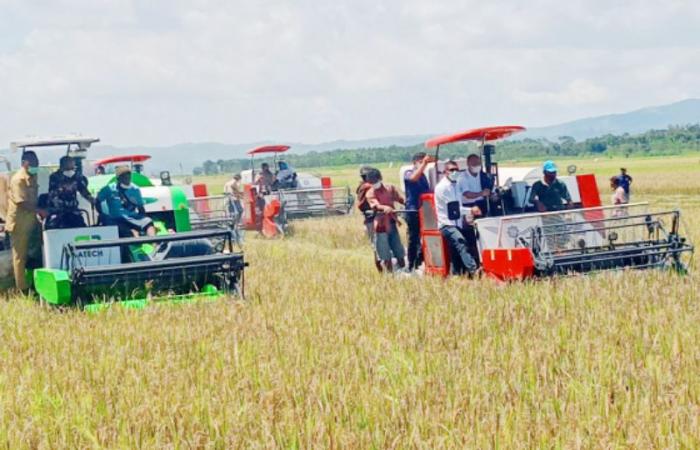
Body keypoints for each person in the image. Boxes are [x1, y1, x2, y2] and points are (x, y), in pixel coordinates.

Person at [5, 151, 45, 291]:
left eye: (37, 163)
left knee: (36, 253)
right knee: (20, 257)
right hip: (19, 223)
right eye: (32, 163)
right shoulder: (18, 179)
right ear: (24, 163)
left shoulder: (32, 177)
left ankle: (36, 283)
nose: (35, 166)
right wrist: (40, 211)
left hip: (31, 221)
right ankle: (22, 289)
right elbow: (21, 202)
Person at [434, 160, 479, 276]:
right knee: (461, 243)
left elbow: (459, 204)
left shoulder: (456, 184)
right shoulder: (442, 188)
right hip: (446, 224)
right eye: (451, 170)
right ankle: (474, 271)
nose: (455, 172)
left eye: (456, 169)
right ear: (445, 172)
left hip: (457, 222)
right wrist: (470, 210)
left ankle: (455, 274)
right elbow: (453, 208)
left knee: (455, 250)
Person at [96, 165, 156, 237]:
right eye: (124, 176)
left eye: (128, 175)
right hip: (116, 219)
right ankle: (135, 237)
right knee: (127, 230)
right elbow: (97, 200)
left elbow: (141, 207)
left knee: (148, 222)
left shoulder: (135, 189)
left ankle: (154, 243)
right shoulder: (109, 189)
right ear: (119, 178)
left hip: (132, 217)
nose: (127, 177)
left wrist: (143, 218)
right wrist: (101, 214)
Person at [366, 169, 406, 272]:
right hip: (381, 226)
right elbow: (375, 205)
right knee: (385, 254)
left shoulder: (390, 188)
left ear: (380, 178)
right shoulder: (370, 193)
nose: (374, 184)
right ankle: (390, 274)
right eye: (371, 182)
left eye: (375, 181)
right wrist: (384, 207)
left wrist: (407, 203)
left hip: (392, 223)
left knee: (398, 250)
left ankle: (403, 270)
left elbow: (400, 199)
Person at [457, 154, 494, 265]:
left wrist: (491, 194)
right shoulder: (463, 178)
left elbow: (489, 188)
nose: (476, 166)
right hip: (469, 206)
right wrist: (481, 193)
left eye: (478, 164)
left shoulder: (483, 176)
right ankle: (474, 261)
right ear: (468, 164)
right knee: (471, 234)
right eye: (474, 164)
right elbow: (467, 194)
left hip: (482, 204)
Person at [45, 156, 95, 229]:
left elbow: (83, 190)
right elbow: (52, 194)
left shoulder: (77, 176)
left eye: (72, 166)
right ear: (62, 166)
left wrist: (90, 198)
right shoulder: (55, 177)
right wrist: (62, 188)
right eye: (69, 167)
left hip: (73, 210)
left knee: (81, 226)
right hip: (59, 212)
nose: (71, 169)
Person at [403, 152, 432, 271]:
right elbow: (413, 178)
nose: (423, 164)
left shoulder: (424, 176)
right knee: (414, 238)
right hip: (413, 210)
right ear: (414, 162)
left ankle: (421, 261)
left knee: (425, 236)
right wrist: (424, 163)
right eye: (420, 162)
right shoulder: (408, 173)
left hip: (424, 209)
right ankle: (411, 264)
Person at [356, 166, 382, 272]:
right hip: (372, 219)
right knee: (378, 247)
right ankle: (382, 270)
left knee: (377, 247)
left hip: (370, 219)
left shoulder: (363, 186)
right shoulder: (367, 187)